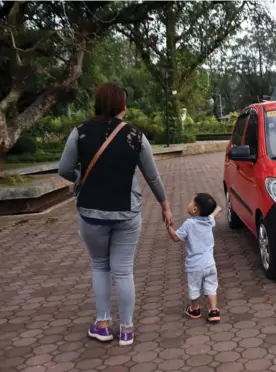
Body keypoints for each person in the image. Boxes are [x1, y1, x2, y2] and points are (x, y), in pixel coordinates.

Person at [58, 82, 174, 346]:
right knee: (123, 271)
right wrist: (164, 205)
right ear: (124, 105)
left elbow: (64, 168)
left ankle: (102, 324)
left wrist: (80, 179)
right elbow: (152, 177)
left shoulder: (80, 132)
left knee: (100, 265)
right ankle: (127, 330)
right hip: (127, 213)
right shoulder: (135, 135)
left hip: (91, 212)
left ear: (98, 104)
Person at [167, 193, 222, 322]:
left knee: (194, 287)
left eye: (191, 201)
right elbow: (211, 216)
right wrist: (217, 210)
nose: (189, 202)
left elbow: (176, 237)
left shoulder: (189, 224)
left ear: (194, 209)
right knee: (211, 286)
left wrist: (169, 226)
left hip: (195, 266)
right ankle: (213, 311)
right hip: (210, 264)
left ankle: (195, 309)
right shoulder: (208, 221)